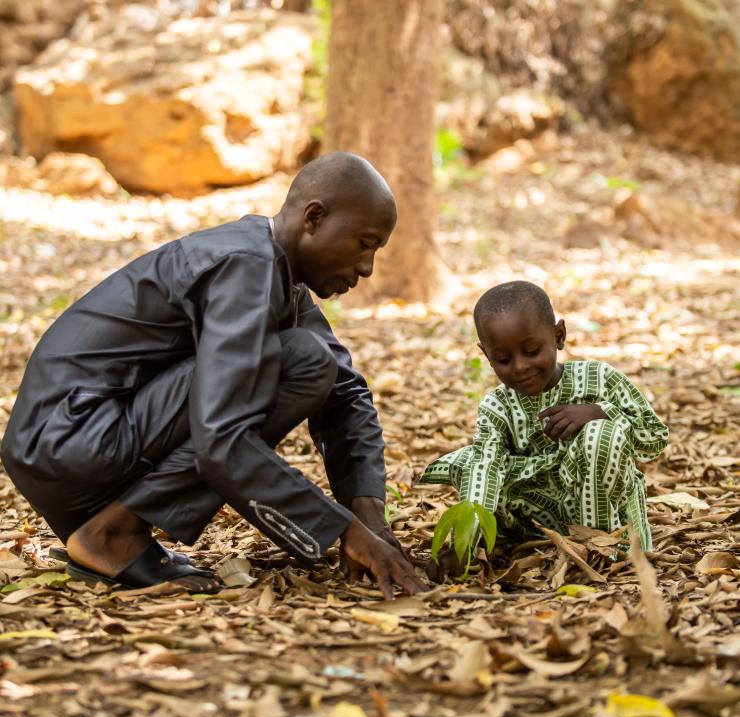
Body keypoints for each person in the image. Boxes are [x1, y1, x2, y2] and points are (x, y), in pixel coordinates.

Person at [1, 152, 426, 598]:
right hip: (69, 440)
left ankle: (112, 526)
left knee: (310, 358)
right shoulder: (245, 265)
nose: (366, 268)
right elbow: (221, 438)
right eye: (364, 243)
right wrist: (342, 532)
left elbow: (346, 394)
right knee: (302, 360)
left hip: (67, 450)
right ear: (314, 218)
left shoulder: (276, 272)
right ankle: (112, 535)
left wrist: (370, 516)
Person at [421, 281, 668, 578]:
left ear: (558, 335)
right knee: (472, 462)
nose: (520, 367)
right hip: (537, 523)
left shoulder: (600, 379)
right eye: (503, 359)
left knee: (601, 435)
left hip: (605, 513)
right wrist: (465, 546)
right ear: (486, 355)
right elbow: (486, 469)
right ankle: (517, 545)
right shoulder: (497, 406)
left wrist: (601, 411)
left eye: (532, 350)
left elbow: (654, 438)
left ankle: (600, 547)